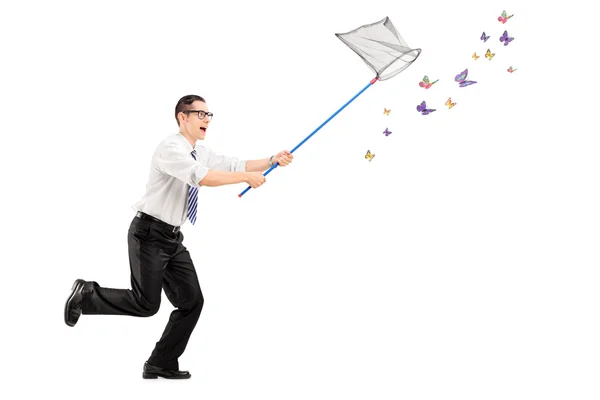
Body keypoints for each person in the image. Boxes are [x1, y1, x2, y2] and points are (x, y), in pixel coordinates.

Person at [64, 94, 293, 380]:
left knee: (191, 302)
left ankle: (161, 362)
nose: (206, 120)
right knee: (146, 304)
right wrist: (246, 179)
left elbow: (234, 165)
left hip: (172, 238)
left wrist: (272, 160)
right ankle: (87, 295)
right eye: (200, 114)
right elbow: (202, 177)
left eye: (209, 115)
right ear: (182, 117)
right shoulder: (170, 148)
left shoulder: (200, 151)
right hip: (148, 234)